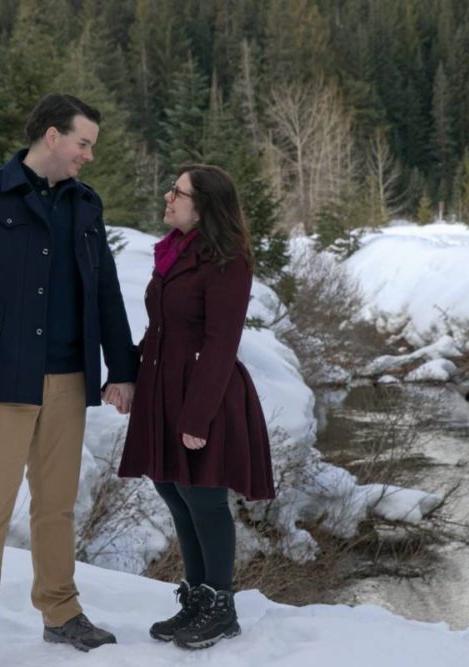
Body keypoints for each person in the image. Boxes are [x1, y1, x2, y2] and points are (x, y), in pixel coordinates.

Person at [0, 93, 137, 667]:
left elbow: (105, 291)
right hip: (2, 381)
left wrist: (121, 370)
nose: (88, 156)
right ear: (52, 136)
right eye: (83, 143)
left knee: (56, 505)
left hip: (69, 379)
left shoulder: (85, 205)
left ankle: (61, 611)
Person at [118, 164, 275, 650]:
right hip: (161, 385)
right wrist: (128, 373)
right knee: (172, 489)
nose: (168, 198)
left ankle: (221, 606)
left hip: (203, 391)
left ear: (203, 205)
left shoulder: (227, 260)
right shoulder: (172, 252)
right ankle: (196, 597)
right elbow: (161, 325)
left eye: (178, 192)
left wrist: (196, 416)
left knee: (203, 495)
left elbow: (221, 342)